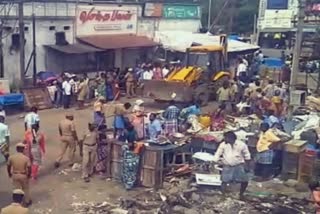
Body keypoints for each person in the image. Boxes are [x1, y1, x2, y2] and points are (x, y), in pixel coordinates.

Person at [213, 131, 251, 200]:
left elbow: (247, 155)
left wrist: (247, 166)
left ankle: (241, 194)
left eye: (226, 138)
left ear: (231, 138)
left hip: (239, 165)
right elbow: (218, 153)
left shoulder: (241, 145)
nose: (224, 139)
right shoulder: (223, 145)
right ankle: (223, 195)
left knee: (244, 181)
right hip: (227, 165)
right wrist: (215, 161)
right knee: (224, 181)